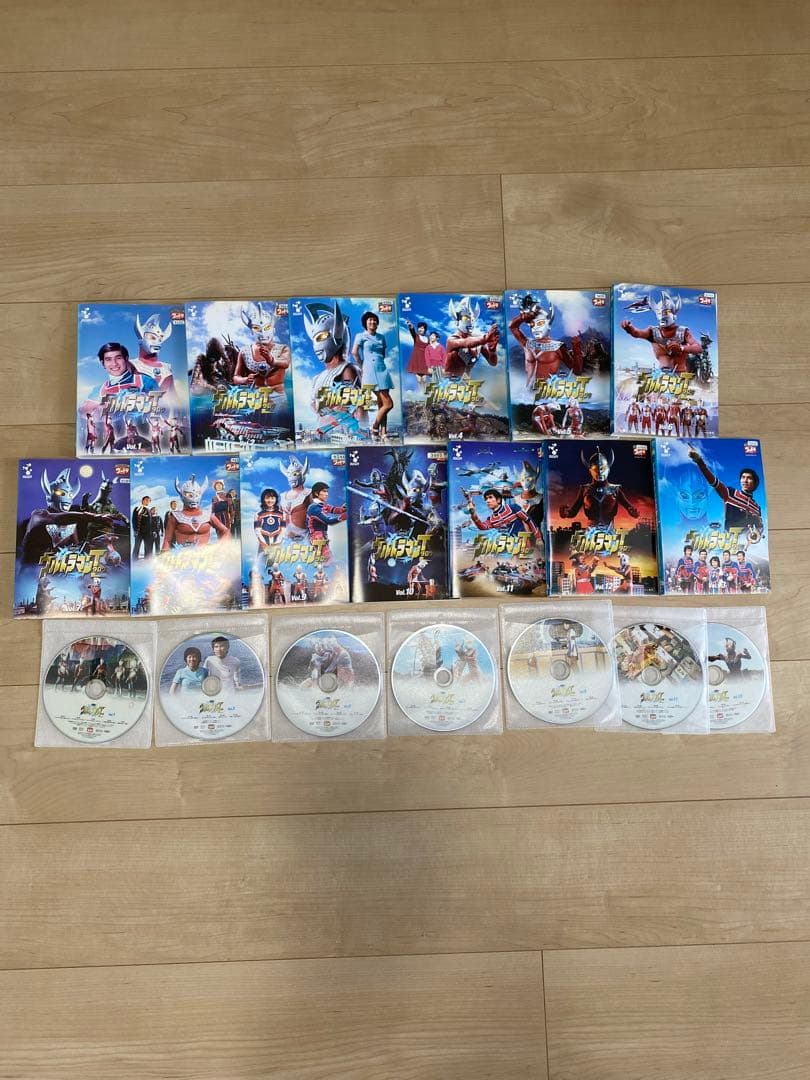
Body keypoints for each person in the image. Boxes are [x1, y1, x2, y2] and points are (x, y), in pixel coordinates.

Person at [352, 311, 394, 439]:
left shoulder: (381, 337)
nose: (372, 322)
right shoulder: (361, 336)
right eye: (370, 320)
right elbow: (354, 352)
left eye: (375, 320)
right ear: (365, 323)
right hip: (370, 370)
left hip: (382, 369)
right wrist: (362, 366)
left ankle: (383, 433)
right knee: (389, 404)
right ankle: (374, 427)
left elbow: (382, 354)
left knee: (383, 404)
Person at [405, 321, 430, 386]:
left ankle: (424, 391)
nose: (420, 329)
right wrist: (410, 326)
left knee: (424, 379)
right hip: (417, 359)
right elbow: (412, 331)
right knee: (419, 379)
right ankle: (420, 390)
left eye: (422, 328)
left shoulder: (428, 339)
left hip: (424, 360)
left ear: (425, 330)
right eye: (419, 328)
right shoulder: (416, 336)